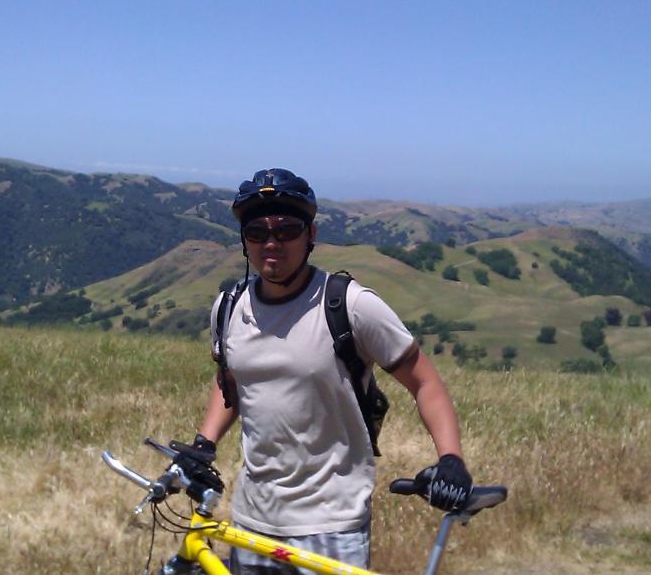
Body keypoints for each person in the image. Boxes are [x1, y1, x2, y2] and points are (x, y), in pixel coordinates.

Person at [178, 168, 472, 574]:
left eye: (287, 230)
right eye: (257, 232)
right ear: (244, 240)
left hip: (332, 525)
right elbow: (231, 382)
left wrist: (451, 458)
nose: (271, 243)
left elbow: (425, 381)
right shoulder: (229, 307)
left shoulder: (349, 305)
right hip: (251, 519)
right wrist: (204, 443)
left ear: (310, 235)